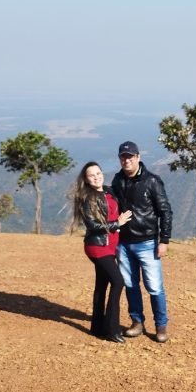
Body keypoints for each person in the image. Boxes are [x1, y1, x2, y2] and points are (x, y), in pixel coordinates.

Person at [111, 141, 173, 343]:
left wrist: (164, 240)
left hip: (147, 243)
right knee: (130, 285)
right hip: (123, 243)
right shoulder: (118, 180)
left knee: (154, 287)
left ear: (138, 157)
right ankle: (137, 322)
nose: (126, 160)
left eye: (130, 156)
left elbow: (165, 211)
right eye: (123, 156)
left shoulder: (152, 181)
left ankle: (161, 326)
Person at [71, 161, 132, 343]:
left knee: (102, 284)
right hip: (97, 247)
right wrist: (117, 224)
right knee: (118, 281)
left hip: (110, 245)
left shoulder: (108, 191)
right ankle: (112, 328)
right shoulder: (87, 198)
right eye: (92, 175)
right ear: (86, 180)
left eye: (98, 173)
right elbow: (93, 225)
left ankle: (97, 327)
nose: (96, 177)